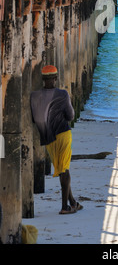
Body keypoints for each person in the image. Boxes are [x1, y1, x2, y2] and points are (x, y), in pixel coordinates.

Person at [30, 65, 83, 215]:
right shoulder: (62, 94)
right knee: (65, 169)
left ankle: (73, 202)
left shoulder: (34, 96)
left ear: (43, 79)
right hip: (63, 134)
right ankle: (65, 207)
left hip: (48, 139)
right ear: (55, 78)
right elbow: (71, 116)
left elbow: (35, 118)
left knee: (61, 169)